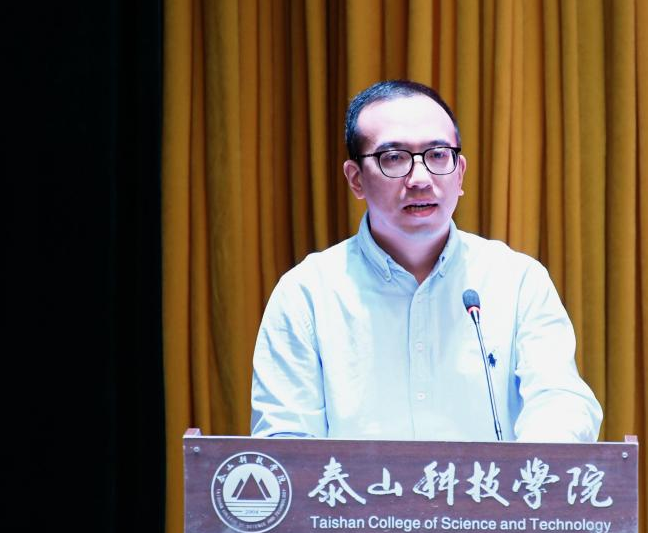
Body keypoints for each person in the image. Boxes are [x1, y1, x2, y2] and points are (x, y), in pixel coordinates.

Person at [250, 80, 602, 442]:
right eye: (394, 158)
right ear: (356, 180)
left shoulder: (516, 280)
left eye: (437, 155)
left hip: (492, 482)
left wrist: (536, 459)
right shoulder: (306, 294)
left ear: (460, 173)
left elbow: (560, 400)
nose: (419, 179)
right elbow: (285, 439)